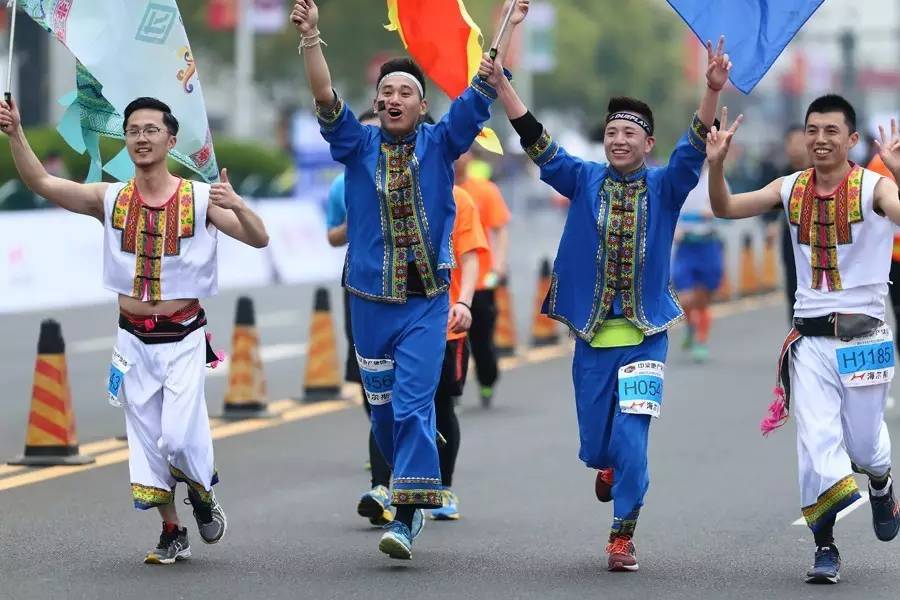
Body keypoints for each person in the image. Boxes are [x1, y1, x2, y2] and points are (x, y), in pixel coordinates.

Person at [291, 0, 528, 560]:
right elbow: (324, 96)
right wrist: (312, 37)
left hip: (426, 303)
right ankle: (402, 485)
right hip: (369, 302)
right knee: (381, 414)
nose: (394, 98)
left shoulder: (441, 143)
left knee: (413, 405)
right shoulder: (356, 145)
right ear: (377, 103)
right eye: (386, 91)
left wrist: (509, 28)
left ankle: (408, 513)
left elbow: (482, 86)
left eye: (406, 92)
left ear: (423, 106)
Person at [491, 35, 730, 571]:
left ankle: (622, 535)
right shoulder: (582, 178)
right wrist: (503, 85)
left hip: (646, 337)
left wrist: (712, 90)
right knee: (600, 445)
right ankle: (608, 467)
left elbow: (693, 146)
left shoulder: (667, 186)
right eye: (612, 133)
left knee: (632, 437)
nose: (619, 141)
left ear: (648, 143)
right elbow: (537, 141)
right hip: (592, 338)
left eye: (630, 133)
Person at [0, 96, 269, 564]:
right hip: (131, 341)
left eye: (150, 130)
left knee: (178, 438)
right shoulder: (109, 198)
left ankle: (202, 492)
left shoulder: (201, 197)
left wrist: (239, 205)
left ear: (170, 139)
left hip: (183, 337)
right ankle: (172, 530)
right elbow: (41, 182)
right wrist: (16, 133)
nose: (141, 138)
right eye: (133, 131)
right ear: (125, 139)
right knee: (145, 442)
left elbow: (259, 237)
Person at [706, 95, 900, 584]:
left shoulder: (876, 187)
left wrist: (897, 171)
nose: (820, 139)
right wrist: (717, 165)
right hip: (809, 341)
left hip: (865, 340)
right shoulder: (789, 187)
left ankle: (881, 481)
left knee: (864, 447)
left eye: (831, 131)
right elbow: (725, 207)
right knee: (816, 442)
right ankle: (825, 547)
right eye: (813, 130)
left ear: (851, 139)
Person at [324, 109, 394, 527]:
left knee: (413, 393)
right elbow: (333, 235)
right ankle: (383, 465)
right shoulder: (343, 183)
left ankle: (405, 471)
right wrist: (360, 220)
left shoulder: (413, 171)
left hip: (411, 292)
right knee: (373, 383)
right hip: (362, 286)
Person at [430, 184, 488, 521]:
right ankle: (389, 487)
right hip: (400, 321)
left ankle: (444, 487)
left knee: (442, 406)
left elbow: (470, 256)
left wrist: (463, 302)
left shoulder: (457, 199)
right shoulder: (391, 189)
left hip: (446, 323)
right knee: (396, 407)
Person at [455, 149, 511, 406]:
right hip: (445, 285)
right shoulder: (432, 188)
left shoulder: (485, 190)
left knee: (481, 340)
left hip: (479, 281)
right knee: (448, 343)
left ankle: (487, 381)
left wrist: (499, 265)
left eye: (463, 152)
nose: (458, 158)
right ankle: (450, 392)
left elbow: (499, 229)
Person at [672, 161, 723, 362]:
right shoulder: (679, 178)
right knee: (685, 298)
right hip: (685, 247)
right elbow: (669, 207)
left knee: (701, 299)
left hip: (707, 244)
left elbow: (727, 206)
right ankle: (690, 326)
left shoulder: (715, 178)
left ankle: (701, 340)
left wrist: (714, 210)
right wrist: (675, 228)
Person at [762, 125, 809, 322]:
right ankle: (797, 332)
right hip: (791, 241)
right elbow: (770, 207)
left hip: (819, 241)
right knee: (793, 289)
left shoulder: (821, 172)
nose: (795, 148)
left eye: (800, 142)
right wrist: (772, 224)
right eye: (791, 143)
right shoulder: (782, 176)